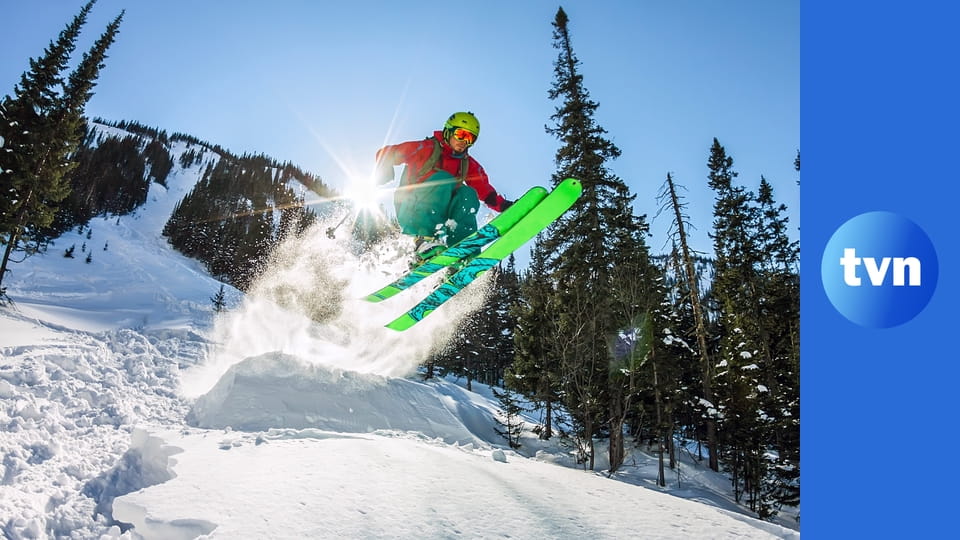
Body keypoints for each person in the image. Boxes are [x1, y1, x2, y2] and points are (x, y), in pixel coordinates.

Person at [375, 111, 512, 261]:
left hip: (440, 217)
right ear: (448, 131)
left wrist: (504, 205)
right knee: (443, 179)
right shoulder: (426, 148)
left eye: (470, 138)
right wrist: (384, 168)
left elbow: (485, 191)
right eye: (460, 135)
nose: (464, 141)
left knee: (468, 194)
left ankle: (462, 249)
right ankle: (423, 241)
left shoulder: (466, 163)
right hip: (411, 208)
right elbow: (388, 153)